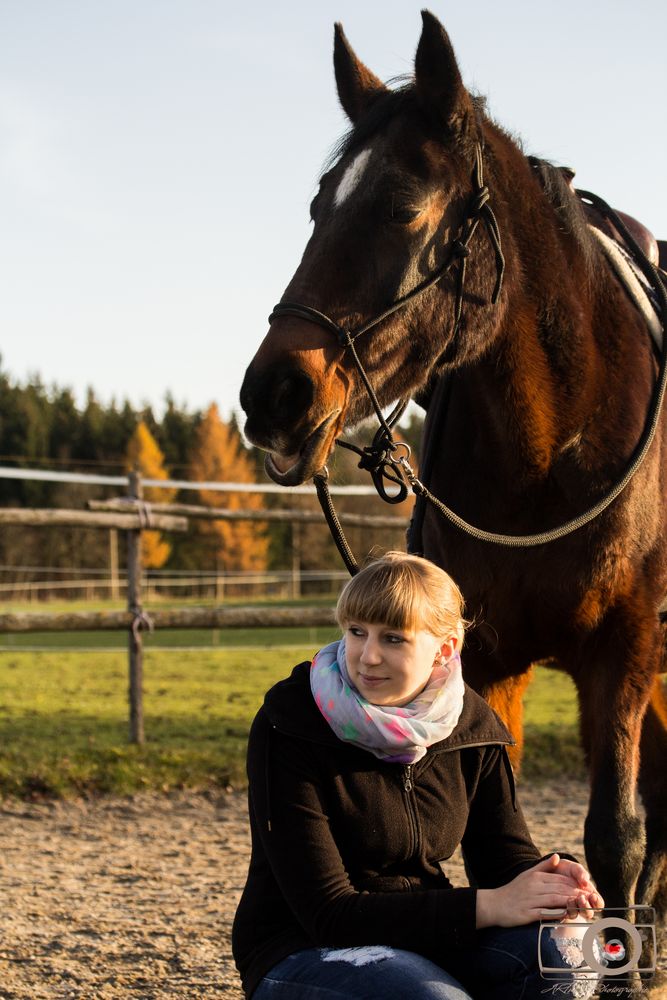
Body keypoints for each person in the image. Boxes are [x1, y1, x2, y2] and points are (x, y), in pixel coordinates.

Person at [233, 552, 603, 999]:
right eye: (356, 632)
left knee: (572, 959)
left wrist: (557, 886)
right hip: (304, 949)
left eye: (392, 639)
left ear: (444, 648)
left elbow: (503, 861)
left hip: (427, 938)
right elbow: (328, 912)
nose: (367, 657)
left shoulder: (470, 726)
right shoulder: (290, 723)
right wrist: (492, 905)